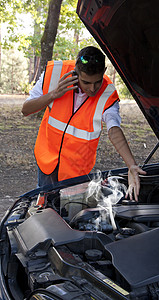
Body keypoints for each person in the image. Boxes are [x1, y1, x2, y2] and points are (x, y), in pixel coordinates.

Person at [22, 46, 146, 201]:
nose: (92, 88)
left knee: (72, 214)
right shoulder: (54, 73)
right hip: (47, 161)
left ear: (104, 70)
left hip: (77, 171)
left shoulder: (108, 93)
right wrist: (54, 94)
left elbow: (114, 129)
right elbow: (26, 110)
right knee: (46, 209)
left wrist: (131, 165)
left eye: (97, 82)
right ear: (76, 71)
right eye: (86, 82)